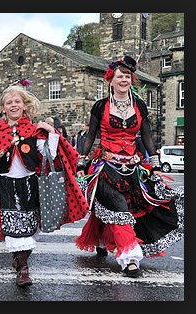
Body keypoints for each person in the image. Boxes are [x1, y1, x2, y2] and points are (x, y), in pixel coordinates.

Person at [0, 84, 88, 287]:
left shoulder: (33, 130)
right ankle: (22, 268)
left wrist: (51, 133)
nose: (13, 105)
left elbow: (49, 156)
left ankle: (21, 260)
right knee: (12, 227)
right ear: (3, 108)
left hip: (30, 184)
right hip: (6, 185)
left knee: (28, 227)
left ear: (25, 105)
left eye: (17, 101)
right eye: (9, 102)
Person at [74, 56, 184, 278]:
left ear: (131, 80)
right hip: (107, 166)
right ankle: (130, 259)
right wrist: (81, 160)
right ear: (111, 80)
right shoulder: (100, 106)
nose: (123, 80)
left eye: (127, 76)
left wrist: (154, 164)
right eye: (119, 76)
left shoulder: (139, 106)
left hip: (133, 168)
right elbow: (91, 135)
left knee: (129, 210)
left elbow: (147, 137)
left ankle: (103, 239)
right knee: (119, 209)